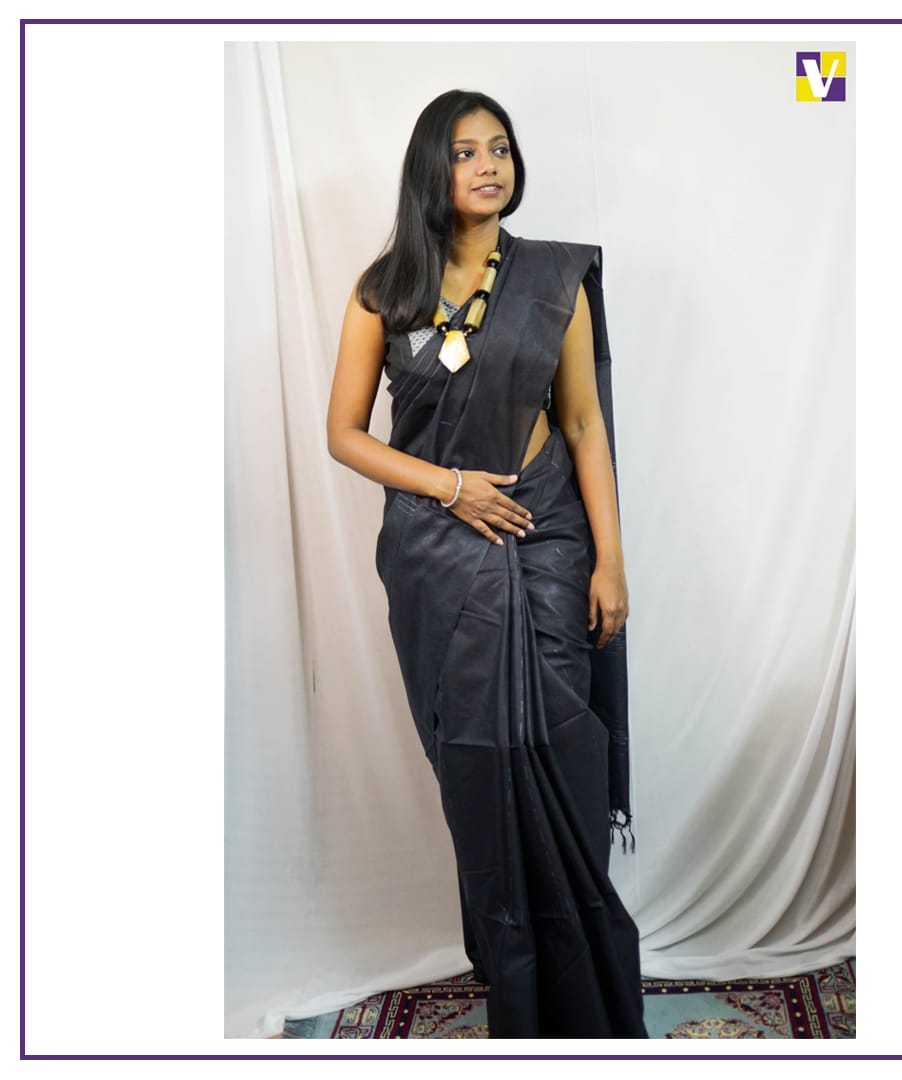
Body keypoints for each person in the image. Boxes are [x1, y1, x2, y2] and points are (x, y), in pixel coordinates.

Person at [326, 89, 646, 1038]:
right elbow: (345, 434)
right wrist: (451, 487)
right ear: (431, 166)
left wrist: (611, 561)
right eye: (465, 152)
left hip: (548, 543)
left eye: (499, 148)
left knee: (563, 748)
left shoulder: (552, 279)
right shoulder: (385, 289)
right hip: (438, 561)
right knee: (477, 773)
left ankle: (588, 1004)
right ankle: (520, 993)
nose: (488, 166)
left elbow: (582, 424)